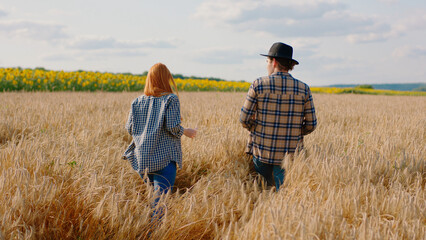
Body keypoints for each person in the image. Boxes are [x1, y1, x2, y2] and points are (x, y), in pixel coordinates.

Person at [122, 63, 197, 221]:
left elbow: (129, 128)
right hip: (164, 161)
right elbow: (172, 127)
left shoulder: (137, 102)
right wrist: (187, 131)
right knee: (159, 206)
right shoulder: (170, 99)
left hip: (143, 161)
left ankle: (142, 230)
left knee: (154, 200)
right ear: (166, 79)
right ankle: (153, 234)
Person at [240, 42, 317, 190]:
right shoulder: (303, 89)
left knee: (263, 190)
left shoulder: (258, 84)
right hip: (289, 153)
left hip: (262, 151)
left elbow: (244, 119)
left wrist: (257, 128)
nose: (267, 65)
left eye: (267, 61)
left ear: (274, 62)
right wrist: (294, 132)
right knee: (285, 193)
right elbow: (311, 124)